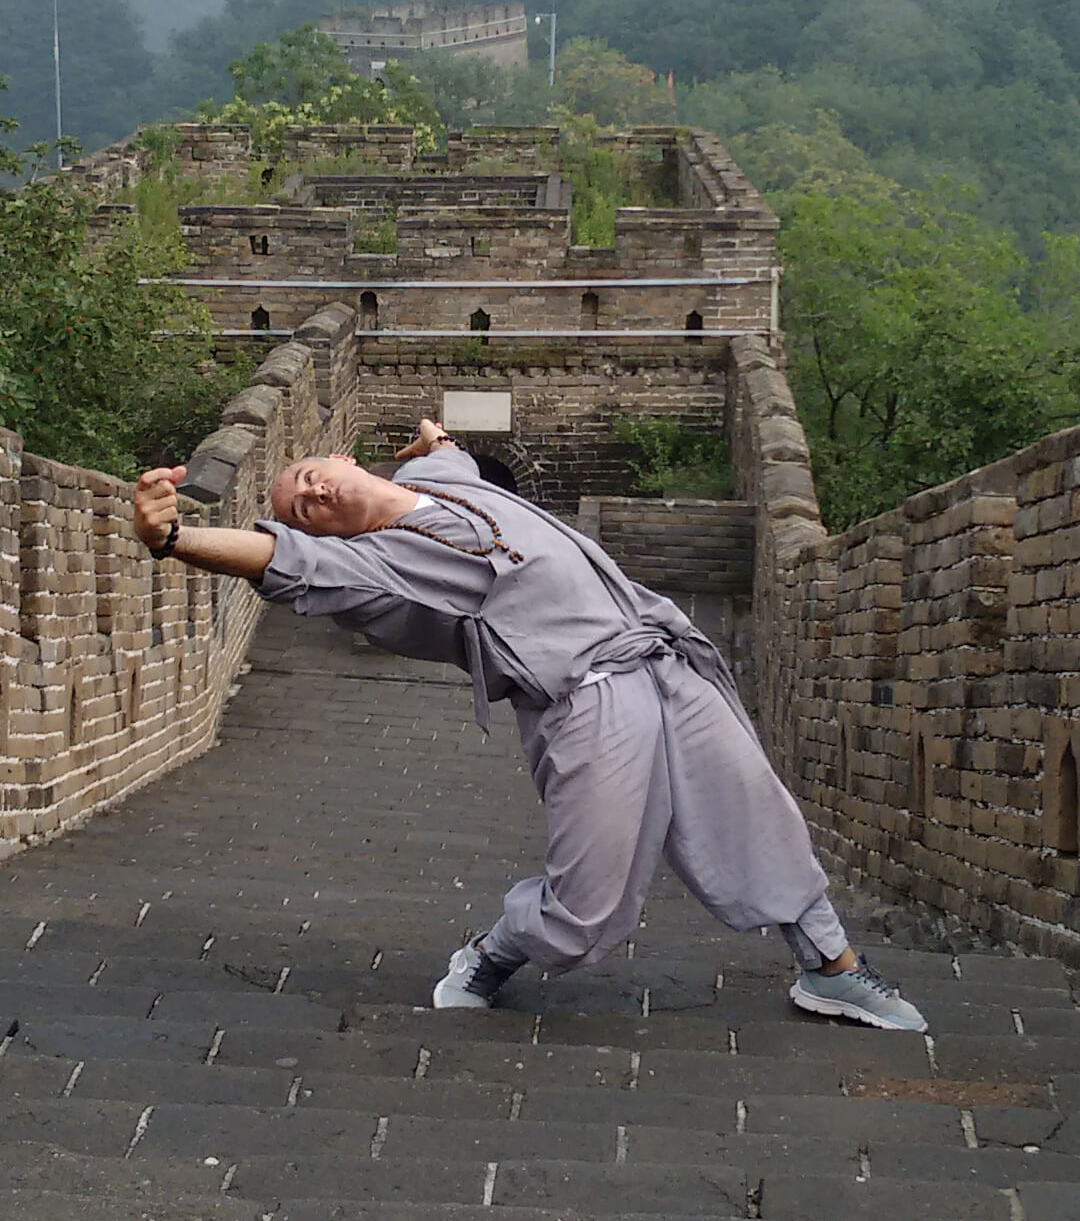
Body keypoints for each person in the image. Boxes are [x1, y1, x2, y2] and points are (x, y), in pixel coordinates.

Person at [133, 421, 928, 1031]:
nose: (308, 496)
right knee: (588, 908)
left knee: (757, 805)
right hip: (583, 698)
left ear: (343, 459)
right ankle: (493, 952)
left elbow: (448, 454)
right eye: (301, 508)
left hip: (661, 651)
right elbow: (276, 558)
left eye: (308, 476)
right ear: (323, 532)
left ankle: (831, 963)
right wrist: (175, 538)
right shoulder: (374, 567)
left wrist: (437, 437)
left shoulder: (433, 477)